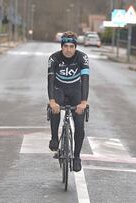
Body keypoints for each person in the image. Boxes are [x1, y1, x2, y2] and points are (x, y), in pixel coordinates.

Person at [47, 31, 89, 172]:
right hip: (59, 90)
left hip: (75, 91)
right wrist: (52, 101)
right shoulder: (54, 58)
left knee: (79, 125)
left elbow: (85, 81)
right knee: (55, 107)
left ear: (75, 47)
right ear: (61, 46)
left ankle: (76, 157)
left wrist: (83, 102)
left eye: (71, 46)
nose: (68, 49)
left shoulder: (82, 58)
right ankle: (54, 137)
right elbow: (51, 81)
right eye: (66, 46)